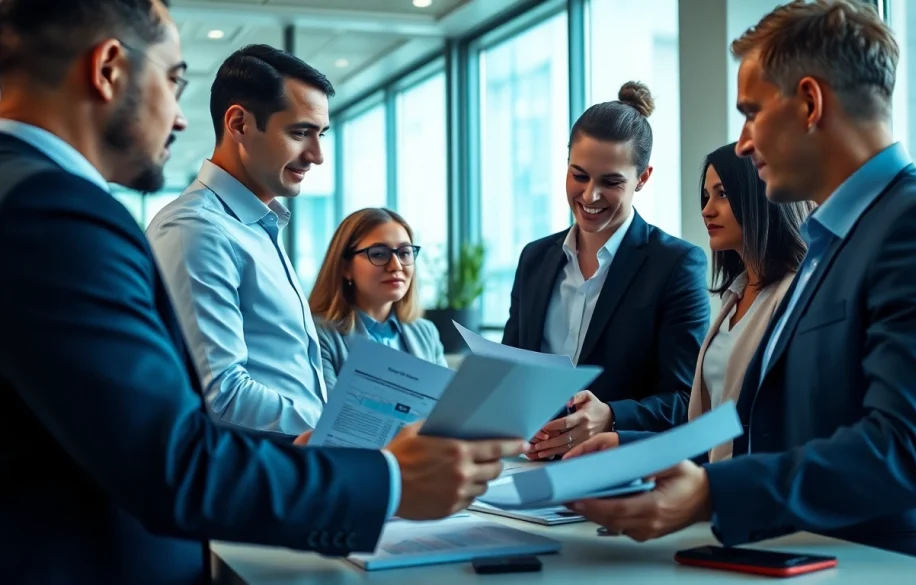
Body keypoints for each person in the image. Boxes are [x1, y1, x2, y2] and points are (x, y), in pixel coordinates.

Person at [0, 2, 526, 584]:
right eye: (173, 81)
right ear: (108, 69)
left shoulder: (255, 227)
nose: (179, 119)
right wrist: (386, 476)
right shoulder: (59, 211)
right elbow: (178, 443)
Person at [565, 0, 916, 570]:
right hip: (796, 555)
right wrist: (633, 452)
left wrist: (710, 493)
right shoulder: (828, 243)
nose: (743, 143)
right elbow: (767, 428)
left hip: (890, 567)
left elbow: (905, 452)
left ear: (809, 103)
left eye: (751, 113)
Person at [503, 81, 711, 460]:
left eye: (611, 181)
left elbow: (687, 399)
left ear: (642, 178)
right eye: (579, 175)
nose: (590, 195)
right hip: (528, 463)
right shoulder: (534, 259)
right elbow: (508, 370)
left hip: (618, 472)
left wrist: (612, 417)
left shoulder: (676, 265)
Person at [571, 143, 812, 459]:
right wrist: (623, 442)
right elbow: (714, 429)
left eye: (722, 194)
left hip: (752, 483)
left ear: (760, 196)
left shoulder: (794, 296)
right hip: (715, 483)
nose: (707, 210)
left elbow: (777, 426)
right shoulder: (735, 296)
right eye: (706, 196)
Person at [147, 44, 335, 435]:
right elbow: (221, 395)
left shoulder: (258, 226)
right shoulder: (196, 229)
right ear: (239, 124)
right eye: (300, 133)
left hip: (293, 459)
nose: (317, 155)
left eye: (321, 134)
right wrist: (335, 432)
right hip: (258, 464)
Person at [310, 208, 447, 392]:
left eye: (404, 253)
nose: (396, 266)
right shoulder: (318, 335)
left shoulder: (425, 332)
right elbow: (326, 407)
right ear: (345, 268)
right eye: (379, 254)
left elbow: (446, 403)